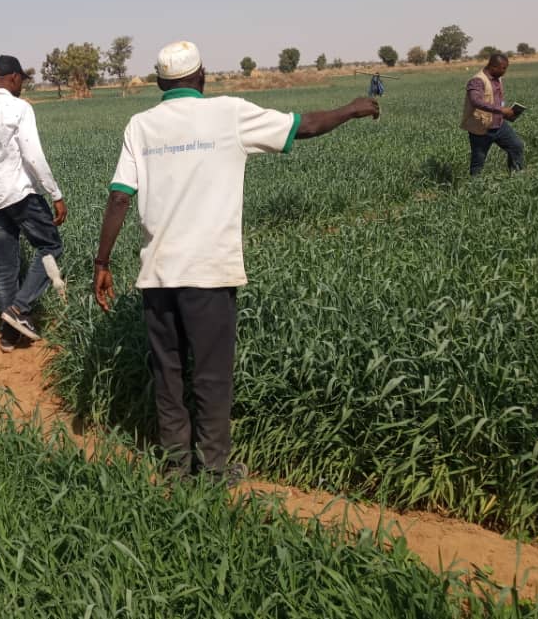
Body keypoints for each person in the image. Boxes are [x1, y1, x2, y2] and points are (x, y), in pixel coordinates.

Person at [92, 41, 379, 484]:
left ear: (160, 83)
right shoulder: (228, 113)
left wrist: (102, 261)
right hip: (209, 272)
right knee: (211, 375)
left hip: (158, 274)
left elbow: (119, 197)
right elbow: (303, 126)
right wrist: (352, 109)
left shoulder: (140, 125)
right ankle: (213, 471)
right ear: (201, 77)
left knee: (168, 374)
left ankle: (175, 467)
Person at [0, 55, 67, 352]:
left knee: (6, 267)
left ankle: (9, 336)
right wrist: (55, 193)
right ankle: (19, 309)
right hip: (21, 194)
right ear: (13, 77)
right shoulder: (19, 108)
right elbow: (32, 155)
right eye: (21, 78)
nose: (22, 84)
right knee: (51, 246)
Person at [461, 53, 525, 176]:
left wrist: (506, 114)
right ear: (493, 67)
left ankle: (517, 177)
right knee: (478, 163)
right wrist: (501, 110)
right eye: (503, 68)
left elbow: (495, 99)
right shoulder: (477, 81)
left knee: (516, 146)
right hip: (481, 128)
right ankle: (475, 185)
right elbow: (476, 101)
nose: (505, 71)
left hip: (499, 125)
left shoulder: (497, 78)